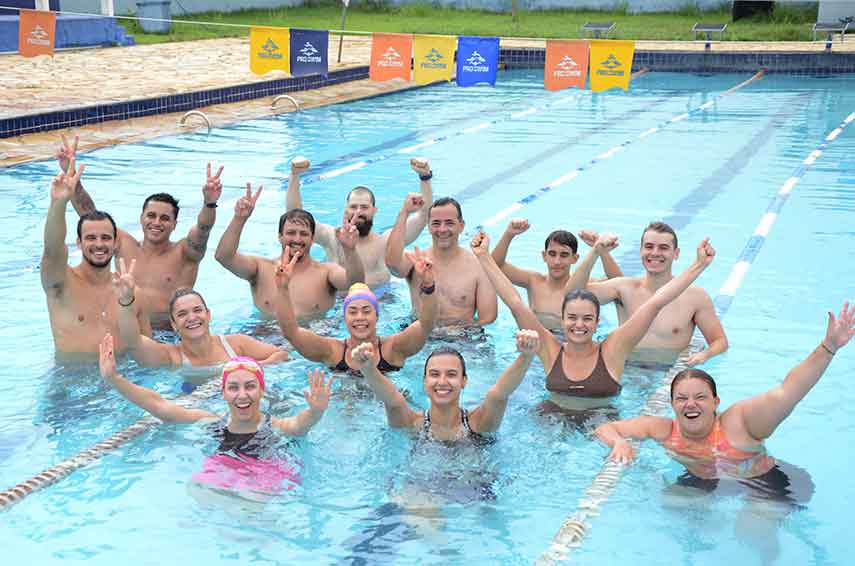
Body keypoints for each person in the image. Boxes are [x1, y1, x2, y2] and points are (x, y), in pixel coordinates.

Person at [594, 302, 854, 487]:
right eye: (682, 398)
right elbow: (605, 428)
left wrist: (828, 347)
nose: (690, 404)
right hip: (703, 479)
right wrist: (618, 443)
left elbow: (789, 391)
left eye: (700, 397)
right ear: (672, 404)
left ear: (716, 402)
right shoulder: (663, 429)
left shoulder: (740, 422)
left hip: (761, 482)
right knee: (672, 503)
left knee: (752, 531)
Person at [472, 231, 715, 409]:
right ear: (563, 320)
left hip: (601, 425)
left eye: (587, 318)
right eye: (572, 318)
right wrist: (483, 256)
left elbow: (656, 302)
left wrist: (699, 265)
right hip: (550, 422)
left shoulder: (614, 348)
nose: (579, 325)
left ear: (598, 322)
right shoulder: (549, 348)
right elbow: (514, 302)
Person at [98, 334, 333, 495]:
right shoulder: (213, 423)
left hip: (269, 470)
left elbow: (299, 425)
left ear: (262, 391)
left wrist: (315, 412)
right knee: (196, 490)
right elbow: (161, 407)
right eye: (234, 388)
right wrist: (114, 379)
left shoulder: (275, 426)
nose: (242, 395)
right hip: (226, 467)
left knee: (252, 500)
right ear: (223, 394)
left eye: (250, 386)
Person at [56, 135, 224, 326]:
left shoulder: (185, 253)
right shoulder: (124, 244)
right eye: (151, 216)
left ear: (175, 224)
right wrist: (72, 175)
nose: (157, 222)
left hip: (168, 334)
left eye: (165, 218)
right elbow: (89, 214)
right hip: (128, 328)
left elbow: (203, 229)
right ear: (141, 218)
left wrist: (209, 203)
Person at [566, 221, 728, 365]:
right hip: (625, 371)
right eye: (649, 247)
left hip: (666, 379)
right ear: (641, 250)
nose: (655, 253)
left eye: (663, 248)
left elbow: (719, 341)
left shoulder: (696, 297)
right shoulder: (623, 288)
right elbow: (571, 295)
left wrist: (705, 355)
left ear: (676, 253)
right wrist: (595, 252)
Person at [115, 257, 289, 391]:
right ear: (174, 324)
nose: (192, 318)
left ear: (209, 315)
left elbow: (281, 355)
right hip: (195, 398)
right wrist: (126, 301)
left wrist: (244, 371)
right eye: (182, 314)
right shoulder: (172, 357)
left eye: (197, 310)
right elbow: (133, 341)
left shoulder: (235, 344)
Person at [41, 158, 149, 354]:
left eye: (106, 238)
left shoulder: (132, 293)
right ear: (79, 243)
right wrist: (58, 204)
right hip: (70, 380)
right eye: (91, 238)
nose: (99, 244)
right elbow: (52, 250)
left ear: (116, 243)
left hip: (123, 378)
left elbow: (150, 353)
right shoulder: (60, 284)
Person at [275, 245, 437, 374]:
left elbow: (426, 325)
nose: (360, 317)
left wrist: (428, 285)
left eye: (367, 311)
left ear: (377, 316)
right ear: (344, 317)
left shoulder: (393, 349)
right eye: (352, 311)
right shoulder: (332, 352)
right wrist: (282, 288)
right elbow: (291, 332)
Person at [351, 329, 540, 439]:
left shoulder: (478, 424)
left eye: (451, 374)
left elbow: (499, 393)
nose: (442, 382)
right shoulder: (412, 425)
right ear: (425, 382)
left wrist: (526, 356)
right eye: (434, 374)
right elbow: (392, 400)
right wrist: (368, 369)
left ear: (463, 381)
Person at [215, 184, 365, 318]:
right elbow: (224, 257)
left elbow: (356, 283)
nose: (297, 239)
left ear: (313, 239)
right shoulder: (261, 268)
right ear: (280, 236)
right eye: (291, 233)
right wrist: (239, 218)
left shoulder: (326, 273)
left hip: (314, 338)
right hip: (268, 337)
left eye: (304, 234)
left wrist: (349, 249)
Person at [285, 156, 433, 287]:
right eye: (353, 207)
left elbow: (423, 216)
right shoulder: (332, 238)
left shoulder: (387, 241)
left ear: (374, 210)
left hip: (381, 305)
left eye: (364, 207)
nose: (358, 212)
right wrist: (294, 176)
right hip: (341, 306)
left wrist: (425, 177)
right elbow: (296, 217)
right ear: (346, 210)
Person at [491, 219, 623, 331]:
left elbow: (620, 284)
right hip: (538, 344)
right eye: (552, 254)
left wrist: (601, 251)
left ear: (575, 258)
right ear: (544, 256)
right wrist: (508, 234)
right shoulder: (533, 281)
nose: (557, 261)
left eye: (564, 255)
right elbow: (494, 266)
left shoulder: (586, 286)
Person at [385, 197, 497, 327]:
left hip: (463, 340)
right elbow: (392, 263)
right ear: (428, 226)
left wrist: (455, 331)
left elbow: (488, 318)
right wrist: (404, 212)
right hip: (420, 338)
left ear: (461, 226)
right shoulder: (416, 261)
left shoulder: (478, 267)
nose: (442, 229)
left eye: (449, 223)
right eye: (436, 223)